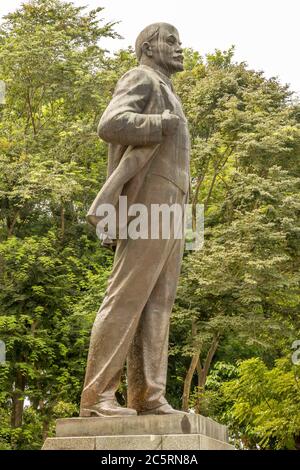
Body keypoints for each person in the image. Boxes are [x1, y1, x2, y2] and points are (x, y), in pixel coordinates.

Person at [80, 22, 190, 417]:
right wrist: (158, 125)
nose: (181, 48)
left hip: (175, 206)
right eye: (172, 41)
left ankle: (149, 397)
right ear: (148, 47)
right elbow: (110, 124)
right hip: (148, 202)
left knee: (159, 304)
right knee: (126, 298)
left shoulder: (169, 89)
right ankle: (97, 399)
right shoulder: (140, 77)